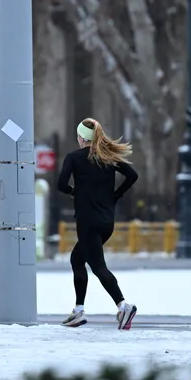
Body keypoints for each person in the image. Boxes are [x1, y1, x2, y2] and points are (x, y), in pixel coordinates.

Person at [56, 118, 139, 330]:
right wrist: (116, 195)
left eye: (78, 136)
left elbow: (61, 185)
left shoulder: (74, 158)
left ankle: (123, 305)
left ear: (82, 138)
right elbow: (132, 175)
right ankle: (78, 311)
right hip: (106, 221)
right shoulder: (108, 158)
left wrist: (75, 192)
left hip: (87, 221)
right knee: (77, 259)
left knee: (98, 266)